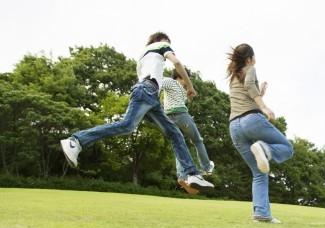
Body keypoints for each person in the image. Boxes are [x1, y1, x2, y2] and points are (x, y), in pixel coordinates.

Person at [60, 32, 213, 191]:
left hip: (150, 96)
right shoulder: (160, 45)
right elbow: (177, 63)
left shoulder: (143, 58)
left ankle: (190, 174)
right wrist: (190, 86)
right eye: (168, 42)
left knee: (174, 133)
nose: (170, 46)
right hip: (147, 91)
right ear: (160, 41)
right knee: (127, 125)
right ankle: (76, 141)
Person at [227, 43, 293, 223]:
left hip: (234, 126)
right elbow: (249, 84)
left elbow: (246, 93)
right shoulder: (250, 69)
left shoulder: (234, 77)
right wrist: (263, 106)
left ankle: (262, 214)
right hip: (251, 120)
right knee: (287, 148)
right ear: (249, 58)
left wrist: (260, 94)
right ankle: (264, 148)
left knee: (259, 172)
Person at [162, 67, 214, 194]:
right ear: (180, 76)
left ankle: (182, 176)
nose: (187, 81)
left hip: (168, 119)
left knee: (179, 146)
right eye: (186, 78)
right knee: (197, 140)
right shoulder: (171, 81)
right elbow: (159, 82)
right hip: (181, 115)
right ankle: (207, 167)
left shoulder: (181, 90)